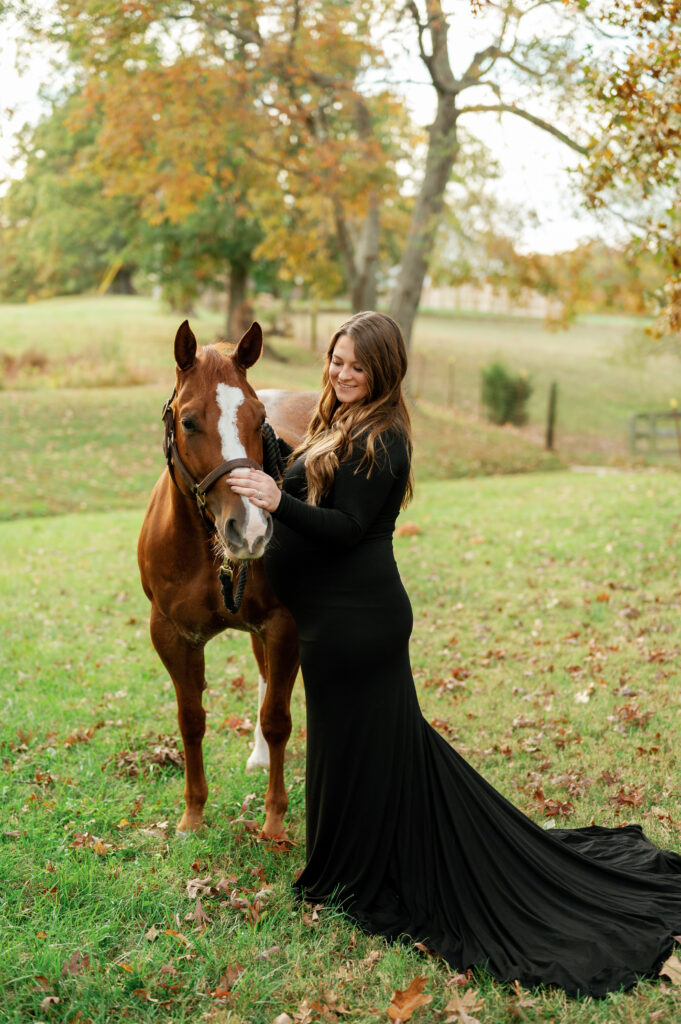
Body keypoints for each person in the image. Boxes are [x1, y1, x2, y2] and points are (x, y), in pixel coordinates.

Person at [228, 311, 681, 998]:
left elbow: (346, 528)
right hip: (326, 625)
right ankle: (346, 864)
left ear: (384, 371)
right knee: (358, 750)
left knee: (368, 747)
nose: (342, 372)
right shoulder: (334, 421)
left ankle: (358, 871)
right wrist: (262, 450)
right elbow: (298, 481)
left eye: (356, 364)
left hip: (360, 623)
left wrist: (275, 503)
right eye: (335, 358)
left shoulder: (385, 436)